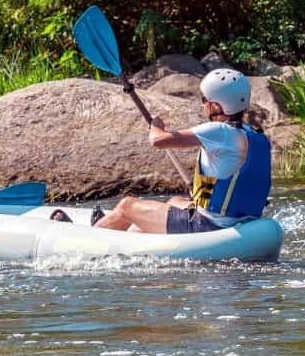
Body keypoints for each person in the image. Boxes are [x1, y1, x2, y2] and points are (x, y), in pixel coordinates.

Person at [93, 68, 271, 233]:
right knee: (175, 202)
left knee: (127, 206)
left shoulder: (218, 130)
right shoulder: (256, 136)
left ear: (216, 106)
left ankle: (95, 234)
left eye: (205, 100)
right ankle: (126, 231)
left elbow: (158, 141)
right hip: (238, 220)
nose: (203, 104)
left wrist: (155, 126)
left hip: (208, 225)